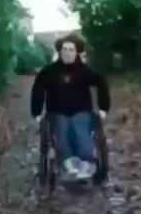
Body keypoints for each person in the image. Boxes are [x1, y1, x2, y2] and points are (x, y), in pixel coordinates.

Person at [30, 35, 110, 179]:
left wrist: (103, 108)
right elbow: (38, 89)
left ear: (77, 52)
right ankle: (69, 163)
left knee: (80, 128)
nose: (67, 53)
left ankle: (86, 161)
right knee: (62, 129)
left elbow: (101, 84)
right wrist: (36, 112)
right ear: (60, 52)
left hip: (81, 111)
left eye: (71, 50)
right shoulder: (49, 71)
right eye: (64, 50)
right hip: (57, 112)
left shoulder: (84, 71)